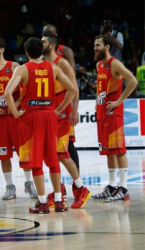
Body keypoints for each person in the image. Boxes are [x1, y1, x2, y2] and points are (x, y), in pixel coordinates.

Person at [4, 37, 77, 214]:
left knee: (35, 161)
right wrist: (59, 109)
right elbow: (73, 89)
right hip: (50, 115)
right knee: (53, 159)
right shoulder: (53, 67)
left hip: (31, 116)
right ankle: (59, 201)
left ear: (27, 53)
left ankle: (43, 202)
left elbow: (7, 93)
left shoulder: (23, 69)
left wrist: (15, 113)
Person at [0, 36, 37, 200]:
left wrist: (15, 104)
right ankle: (10, 187)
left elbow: (25, 90)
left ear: (1, 49)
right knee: (3, 155)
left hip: (16, 117)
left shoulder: (14, 66)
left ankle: (29, 183)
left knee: (24, 152)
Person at [41, 32, 91, 209]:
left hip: (61, 110)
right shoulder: (42, 62)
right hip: (50, 111)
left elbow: (74, 88)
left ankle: (80, 188)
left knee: (61, 152)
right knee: (53, 153)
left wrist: (73, 109)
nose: (41, 43)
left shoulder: (61, 63)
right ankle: (58, 190)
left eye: (44, 41)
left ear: (52, 45)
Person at [91, 35, 138, 202]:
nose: (95, 48)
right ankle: (111, 186)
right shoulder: (99, 65)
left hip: (113, 113)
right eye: (94, 45)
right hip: (102, 113)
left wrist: (119, 100)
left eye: (98, 45)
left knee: (118, 150)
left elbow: (133, 81)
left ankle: (123, 189)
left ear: (107, 47)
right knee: (108, 151)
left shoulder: (115, 64)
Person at [42, 24, 80, 176]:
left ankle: (78, 183)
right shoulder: (40, 58)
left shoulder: (63, 55)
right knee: (52, 148)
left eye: (49, 33)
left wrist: (75, 109)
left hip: (63, 107)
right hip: (49, 108)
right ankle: (60, 188)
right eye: (44, 33)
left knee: (66, 147)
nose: (46, 34)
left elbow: (73, 85)